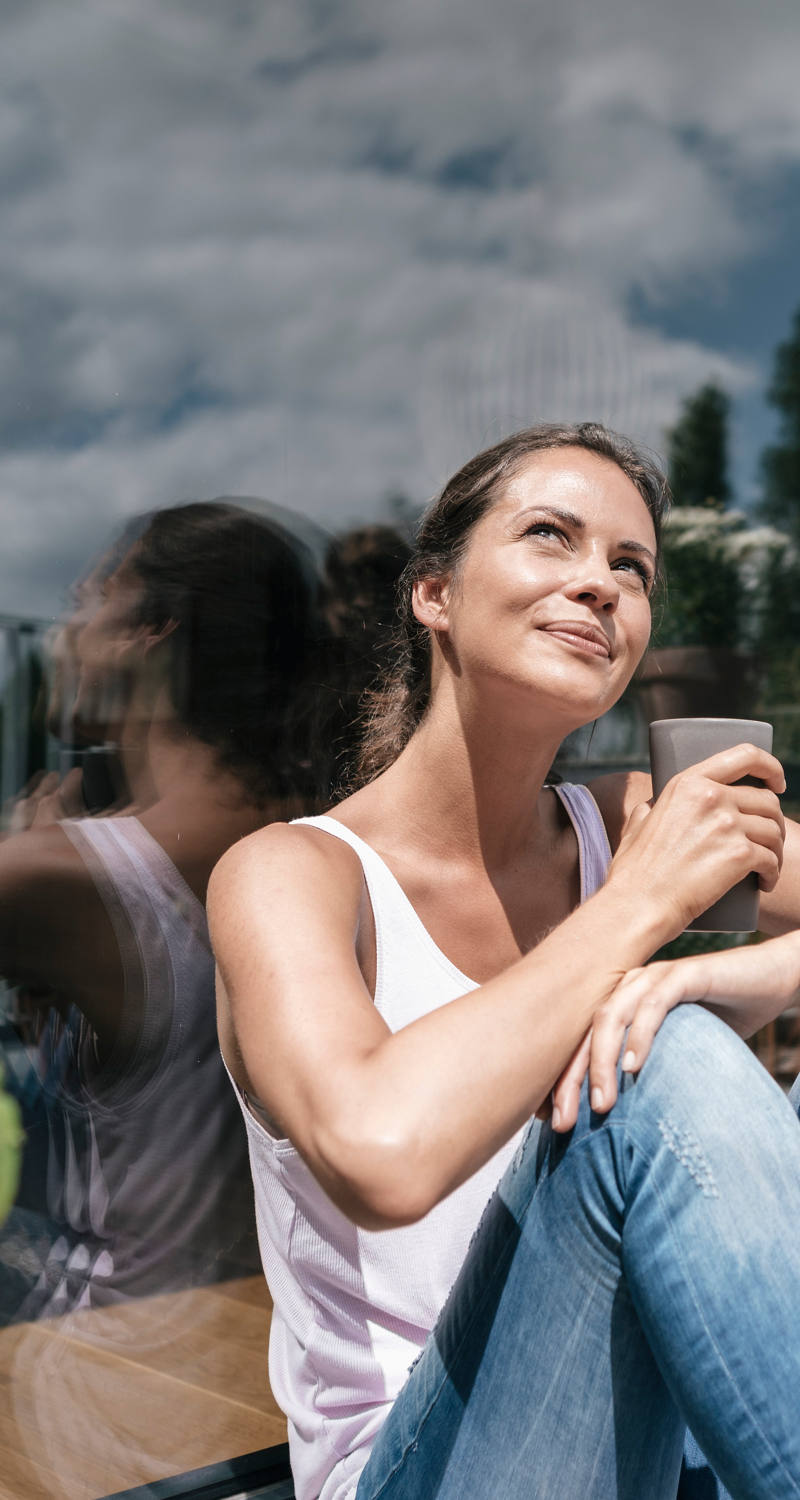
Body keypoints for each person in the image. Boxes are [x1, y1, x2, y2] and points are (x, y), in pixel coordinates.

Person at [208, 425, 800, 1500]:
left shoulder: (629, 824)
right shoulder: (290, 875)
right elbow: (380, 1151)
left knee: (679, 1029)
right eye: (550, 538)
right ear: (432, 592)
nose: (599, 585)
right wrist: (636, 914)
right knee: (669, 1066)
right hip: (418, 1467)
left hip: (651, 1444)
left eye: (630, 567)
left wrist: (727, 974)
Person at [0, 500, 331, 1318]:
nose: (69, 622)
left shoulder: (71, 877)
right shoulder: (321, 838)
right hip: (255, 1363)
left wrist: (37, 866)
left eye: (92, 597)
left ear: (149, 633)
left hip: (106, 1386)